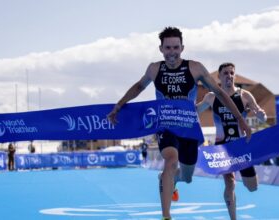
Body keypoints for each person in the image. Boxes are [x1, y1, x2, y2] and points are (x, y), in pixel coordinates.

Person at [107, 27, 251, 220]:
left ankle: (172, 179)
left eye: (176, 47)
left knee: (187, 176)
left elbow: (220, 93)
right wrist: (119, 105)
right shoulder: (154, 68)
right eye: (168, 48)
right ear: (161, 49)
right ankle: (166, 216)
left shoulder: (195, 68)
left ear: (182, 47)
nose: (172, 52)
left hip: (189, 127)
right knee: (170, 159)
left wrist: (240, 120)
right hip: (165, 124)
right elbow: (139, 87)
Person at [197, 62, 267, 220]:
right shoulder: (211, 97)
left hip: (241, 146)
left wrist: (261, 115)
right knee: (230, 183)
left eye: (231, 73)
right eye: (226, 73)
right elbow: (196, 110)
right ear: (219, 77)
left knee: (252, 187)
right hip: (222, 148)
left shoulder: (245, 96)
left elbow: (258, 113)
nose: (229, 76)